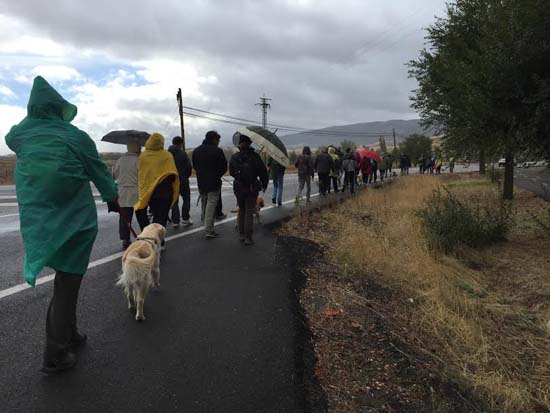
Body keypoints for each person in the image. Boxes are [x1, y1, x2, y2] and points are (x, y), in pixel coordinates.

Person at [5, 76, 119, 374]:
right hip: (74, 222)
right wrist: (112, 197)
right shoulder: (75, 137)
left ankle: (69, 333)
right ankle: (55, 354)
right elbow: (98, 170)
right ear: (58, 108)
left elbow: (12, 135)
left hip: (40, 223)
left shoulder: (21, 136)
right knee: (67, 285)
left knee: (65, 283)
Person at [134, 133, 179, 248]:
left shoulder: (143, 156)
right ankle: (159, 241)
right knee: (161, 217)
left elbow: (141, 173)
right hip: (165, 192)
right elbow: (173, 174)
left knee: (155, 215)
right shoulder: (167, 155)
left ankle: (151, 239)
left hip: (150, 193)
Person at [229, 134, 268, 245]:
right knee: (249, 212)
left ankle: (241, 235)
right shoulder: (255, 156)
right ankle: (248, 237)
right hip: (251, 187)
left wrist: (239, 177)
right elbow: (263, 172)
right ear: (249, 144)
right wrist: (264, 184)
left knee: (242, 210)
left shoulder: (234, 157)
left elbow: (231, 172)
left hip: (238, 187)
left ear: (239, 144)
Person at [192, 130, 228, 239]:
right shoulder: (217, 151)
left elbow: (195, 166)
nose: (218, 142)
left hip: (201, 182)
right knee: (211, 206)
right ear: (214, 139)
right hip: (214, 182)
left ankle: (205, 223)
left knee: (204, 203)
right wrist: (217, 174)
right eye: (218, 140)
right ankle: (209, 230)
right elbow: (223, 167)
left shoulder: (196, 151)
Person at [114, 142, 141, 250]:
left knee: (125, 217)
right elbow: (142, 175)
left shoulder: (121, 160)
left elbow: (115, 175)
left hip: (123, 192)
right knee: (141, 216)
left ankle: (125, 239)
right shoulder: (139, 160)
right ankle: (145, 235)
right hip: (136, 191)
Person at [169, 136, 193, 228]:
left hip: (171, 181)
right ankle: (186, 218)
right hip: (183, 180)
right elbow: (188, 167)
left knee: (174, 201)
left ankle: (175, 220)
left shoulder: (168, 154)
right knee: (186, 198)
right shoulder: (183, 154)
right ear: (181, 144)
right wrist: (185, 176)